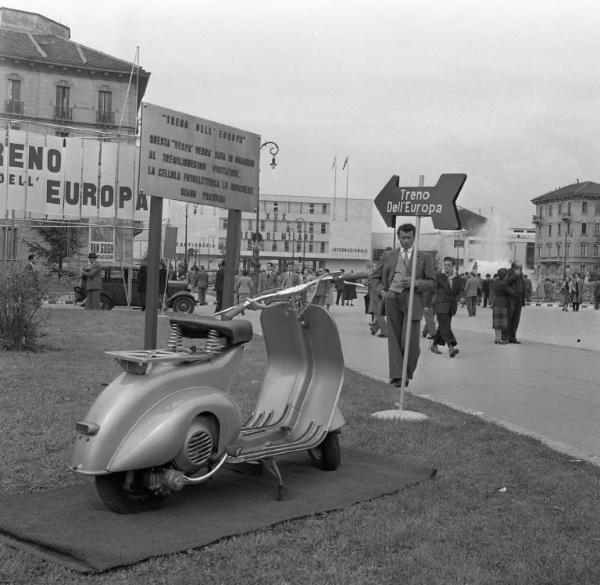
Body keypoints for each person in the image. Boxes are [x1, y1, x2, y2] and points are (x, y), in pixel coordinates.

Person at [370, 223, 436, 387]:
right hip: (392, 300)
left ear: (414, 238)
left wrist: (416, 282)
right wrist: (382, 291)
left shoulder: (425, 257)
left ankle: (406, 371)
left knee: (410, 341)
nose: (406, 241)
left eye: (409, 237)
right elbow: (374, 278)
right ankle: (397, 376)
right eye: (403, 237)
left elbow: (432, 282)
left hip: (413, 301)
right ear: (398, 237)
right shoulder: (388, 256)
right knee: (394, 339)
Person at [430, 257, 462, 357]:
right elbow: (432, 288)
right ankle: (451, 348)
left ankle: (434, 345)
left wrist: (461, 297)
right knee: (446, 326)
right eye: (445, 265)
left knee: (443, 326)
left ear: (453, 266)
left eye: (449, 265)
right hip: (440, 305)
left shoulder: (458, 278)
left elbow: (461, 290)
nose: (446, 267)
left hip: (451, 306)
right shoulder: (439, 277)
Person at [490, 268, 517, 344]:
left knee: (496, 323)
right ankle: (499, 339)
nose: (507, 276)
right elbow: (511, 292)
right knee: (501, 323)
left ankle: (497, 338)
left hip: (496, 302)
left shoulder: (495, 282)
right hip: (502, 304)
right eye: (506, 275)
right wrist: (515, 292)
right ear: (504, 275)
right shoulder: (503, 284)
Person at [506, 262, 526, 343]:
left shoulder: (521, 274)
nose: (521, 270)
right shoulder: (508, 273)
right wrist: (515, 275)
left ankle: (513, 337)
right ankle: (506, 337)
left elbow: (523, 286)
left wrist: (523, 299)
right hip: (511, 298)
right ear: (514, 268)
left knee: (516, 319)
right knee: (509, 318)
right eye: (519, 268)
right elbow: (506, 283)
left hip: (519, 298)